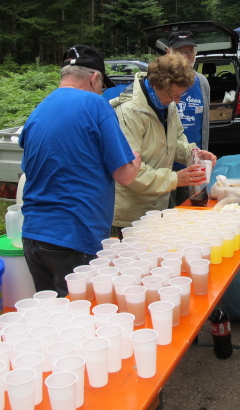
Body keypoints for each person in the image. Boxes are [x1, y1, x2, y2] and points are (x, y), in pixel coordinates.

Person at [19, 45, 141, 296]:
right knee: (80, 316)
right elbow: (125, 175)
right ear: (94, 78)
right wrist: (136, 160)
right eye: (102, 85)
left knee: (49, 314)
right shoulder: (95, 104)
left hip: (33, 237)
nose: (101, 91)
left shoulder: (39, 109)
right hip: (75, 239)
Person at [110, 54, 217, 234]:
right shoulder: (129, 112)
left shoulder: (166, 103)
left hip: (157, 204)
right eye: (174, 95)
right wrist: (175, 179)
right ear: (156, 85)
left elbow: (176, 138)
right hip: (131, 212)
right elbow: (130, 171)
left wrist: (193, 153)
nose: (178, 101)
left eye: (180, 95)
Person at [165, 31, 211, 207]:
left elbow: (204, 124)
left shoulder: (202, 82)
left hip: (192, 164)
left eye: (190, 51)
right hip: (165, 167)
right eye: (180, 52)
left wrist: (203, 157)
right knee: (166, 213)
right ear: (168, 52)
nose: (186, 56)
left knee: (192, 210)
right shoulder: (160, 82)